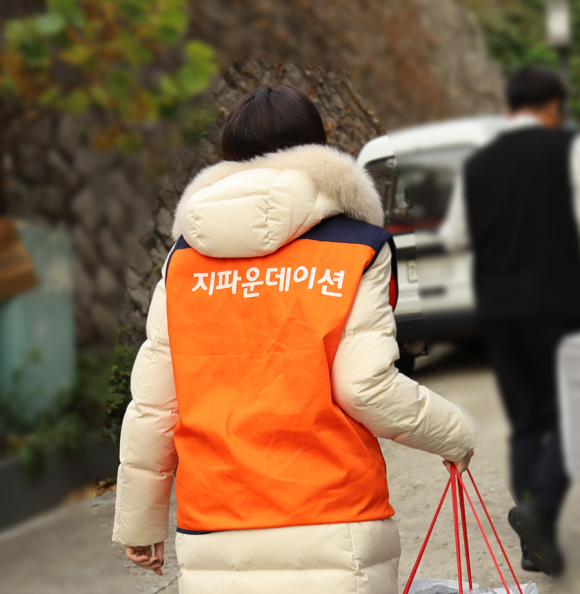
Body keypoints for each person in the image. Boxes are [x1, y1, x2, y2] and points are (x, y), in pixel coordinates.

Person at [113, 85, 477, 594]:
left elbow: (155, 404)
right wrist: (455, 433)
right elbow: (365, 386)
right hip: (334, 520)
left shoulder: (184, 261)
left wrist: (140, 522)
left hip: (215, 526)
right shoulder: (356, 246)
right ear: (318, 146)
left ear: (228, 158)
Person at [440, 66, 580, 577]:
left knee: (528, 421)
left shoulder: (479, 165)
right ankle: (541, 507)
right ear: (553, 107)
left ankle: (533, 534)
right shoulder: (568, 150)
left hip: (499, 310)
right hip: (558, 306)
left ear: (510, 108)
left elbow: (455, 236)